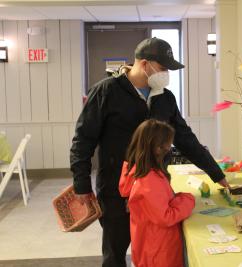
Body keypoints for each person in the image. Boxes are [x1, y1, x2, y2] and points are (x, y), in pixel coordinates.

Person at [70, 37, 229, 267]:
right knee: (114, 253)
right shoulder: (106, 91)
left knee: (151, 251)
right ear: (145, 64)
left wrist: (216, 173)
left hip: (155, 193)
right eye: (163, 68)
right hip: (116, 190)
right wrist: (81, 184)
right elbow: (83, 140)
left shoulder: (165, 97)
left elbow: (185, 138)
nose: (166, 74)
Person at [119, 119, 195, 267]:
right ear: (158, 148)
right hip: (159, 252)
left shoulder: (138, 172)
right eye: (168, 143)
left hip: (149, 247)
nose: (170, 147)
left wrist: (177, 199)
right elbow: (166, 217)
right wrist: (188, 199)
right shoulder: (149, 180)